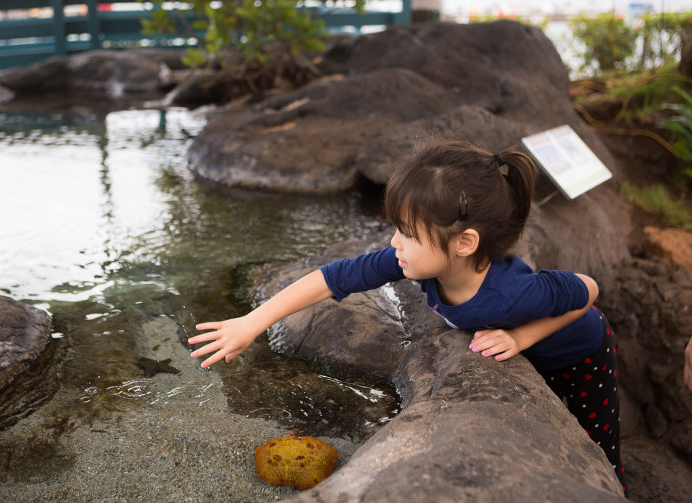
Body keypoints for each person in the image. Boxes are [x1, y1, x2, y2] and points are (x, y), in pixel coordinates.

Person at [189, 139, 627, 495]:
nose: (395, 243)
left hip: (582, 351)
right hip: (542, 345)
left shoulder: (511, 295)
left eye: (409, 233)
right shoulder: (410, 259)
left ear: (464, 243)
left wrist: (522, 339)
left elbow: (587, 291)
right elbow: (334, 276)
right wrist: (254, 321)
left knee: (596, 441)